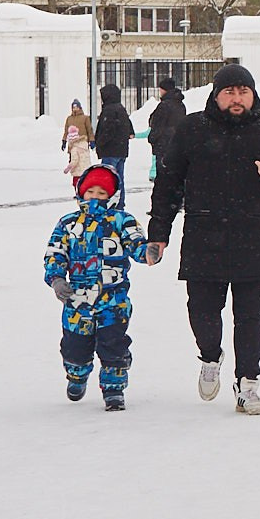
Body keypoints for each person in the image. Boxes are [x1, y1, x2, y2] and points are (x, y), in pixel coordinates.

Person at [147, 61, 260, 416]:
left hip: (256, 237)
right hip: (204, 237)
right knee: (202, 312)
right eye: (229, 92)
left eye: (243, 92)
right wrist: (158, 235)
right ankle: (210, 355)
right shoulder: (193, 129)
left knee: (250, 317)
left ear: (253, 94)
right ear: (216, 95)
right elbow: (168, 184)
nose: (237, 99)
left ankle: (248, 385)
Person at [45, 163, 157, 411]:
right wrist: (57, 279)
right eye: (90, 192)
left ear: (113, 195)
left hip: (113, 301)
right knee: (75, 347)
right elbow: (55, 254)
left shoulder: (121, 221)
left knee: (114, 346)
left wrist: (147, 252)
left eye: (102, 193)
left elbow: (135, 244)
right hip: (77, 301)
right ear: (81, 192)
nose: (95, 197)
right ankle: (76, 374)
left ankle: (114, 389)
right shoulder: (68, 223)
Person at [92, 82, 135, 190]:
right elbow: (128, 126)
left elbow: (107, 130)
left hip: (110, 150)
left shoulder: (109, 110)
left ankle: (108, 203)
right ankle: (119, 203)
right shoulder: (121, 109)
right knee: (119, 179)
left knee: (108, 179)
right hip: (121, 150)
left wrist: (99, 143)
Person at [145, 81, 186, 181]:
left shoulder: (164, 106)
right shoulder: (180, 105)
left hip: (163, 144)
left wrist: (152, 138)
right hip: (176, 143)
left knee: (163, 175)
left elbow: (157, 125)